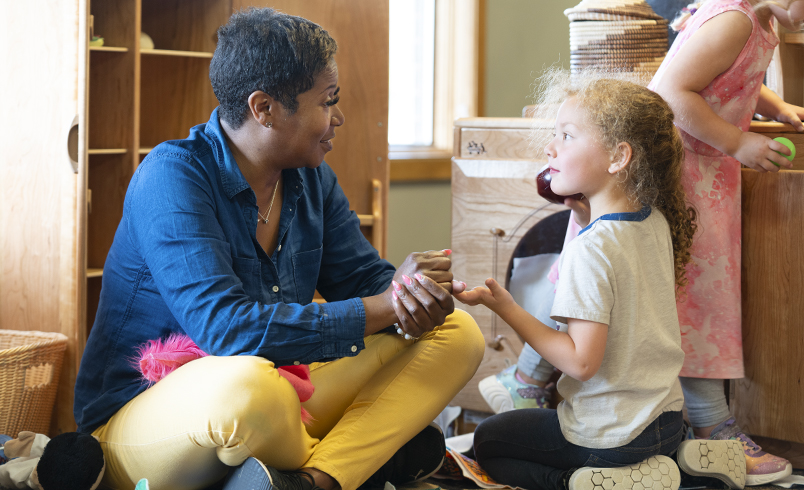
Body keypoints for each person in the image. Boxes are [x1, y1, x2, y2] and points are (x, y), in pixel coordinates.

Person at [72, 8, 485, 490]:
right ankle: (370, 459)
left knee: (457, 332)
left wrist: (411, 292)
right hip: (147, 420)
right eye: (327, 102)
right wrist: (385, 305)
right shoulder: (171, 178)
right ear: (264, 108)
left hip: (282, 395)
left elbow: (363, 281)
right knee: (248, 388)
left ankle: (318, 480)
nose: (339, 118)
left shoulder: (310, 178)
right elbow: (225, 329)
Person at [453, 75, 698, 490]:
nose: (550, 147)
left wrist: (506, 307)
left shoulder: (591, 248)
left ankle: (583, 481)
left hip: (611, 435)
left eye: (566, 136)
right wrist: (584, 215)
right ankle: (673, 464)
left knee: (489, 441)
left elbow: (580, 363)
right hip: (666, 421)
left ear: (619, 157)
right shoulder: (653, 221)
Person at [649, 0, 804, 485]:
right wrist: (737, 143)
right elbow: (669, 91)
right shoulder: (734, 20)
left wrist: (775, 106)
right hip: (687, 175)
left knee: (701, 299)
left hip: (707, 174)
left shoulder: (760, 19)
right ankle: (713, 427)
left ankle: (710, 425)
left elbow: (730, 81)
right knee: (700, 301)